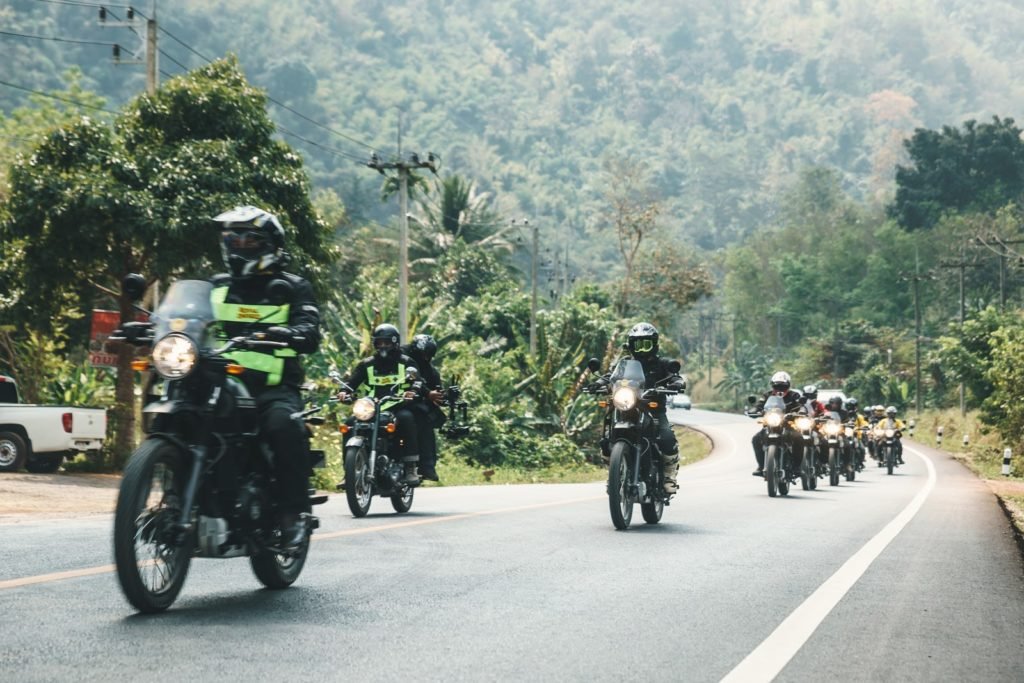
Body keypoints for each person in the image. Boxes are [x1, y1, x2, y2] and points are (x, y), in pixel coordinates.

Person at [211, 206, 321, 548]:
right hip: (219, 383)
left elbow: (310, 328)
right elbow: (188, 320)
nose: (240, 244)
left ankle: (292, 514)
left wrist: (294, 332)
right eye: (233, 237)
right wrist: (154, 326)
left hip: (273, 388)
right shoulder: (216, 287)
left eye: (250, 238)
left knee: (283, 425)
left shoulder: (293, 287)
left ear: (270, 244)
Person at [339, 324, 425, 485]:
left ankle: (410, 467)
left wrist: (412, 391)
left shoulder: (406, 362)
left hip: (398, 406)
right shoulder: (367, 364)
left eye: (387, 343)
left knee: (406, 418)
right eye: (380, 343)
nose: (383, 346)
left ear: (395, 343)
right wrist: (344, 391)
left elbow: (418, 382)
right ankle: (349, 471)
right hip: (371, 409)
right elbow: (352, 383)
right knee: (349, 424)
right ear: (375, 344)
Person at [608, 322, 687, 493]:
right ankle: (614, 467)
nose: (642, 350)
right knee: (608, 424)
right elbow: (610, 376)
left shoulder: (663, 364)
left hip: (654, 410)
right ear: (631, 346)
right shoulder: (624, 364)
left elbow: (674, 376)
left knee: (667, 438)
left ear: (654, 345)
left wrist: (676, 382)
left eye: (646, 344)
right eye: (638, 345)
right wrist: (599, 382)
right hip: (628, 408)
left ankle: (668, 477)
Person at [401, 333, 445, 482]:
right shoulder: (401, 358)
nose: (425, 358)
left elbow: (435, 390)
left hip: (411, 403)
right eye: (423, 355)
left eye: (428, 356)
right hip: (384, 400)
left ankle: (425, 466)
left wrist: (441, 397)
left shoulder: (430, 371)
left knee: (424, 418)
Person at [748, 371, 805, 477]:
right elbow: (759, 405)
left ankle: (797, 467)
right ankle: (761, 466)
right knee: (756, 439)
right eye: (777, 386)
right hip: (770, 424)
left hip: (788, 425)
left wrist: (801, 411)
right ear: (773, 385)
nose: (779, 389)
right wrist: (754, 410)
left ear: (788, 385)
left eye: (782, 386)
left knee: (798, 438)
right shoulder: (767, 395)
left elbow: (800, 405)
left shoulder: (794, 395)